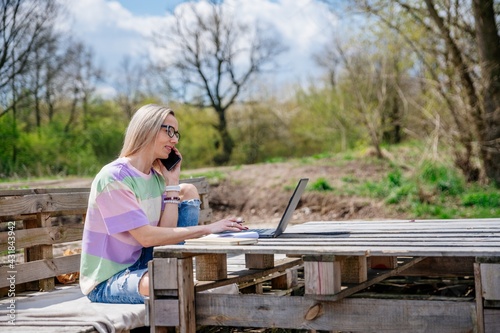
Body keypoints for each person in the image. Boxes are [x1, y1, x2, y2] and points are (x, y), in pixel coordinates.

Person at [79, 104, 247, 304]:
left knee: (189, 190)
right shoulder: (114, 177)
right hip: (108, 281)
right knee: (181, 283)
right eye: (169, 131)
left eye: (176, 133)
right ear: (147, 129)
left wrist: (172, 184)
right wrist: (207, 229)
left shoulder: (156, 178)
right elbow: (147, 238)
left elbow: (165, 239)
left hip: (144, 266)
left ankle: (178, 273)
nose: (174, 139)